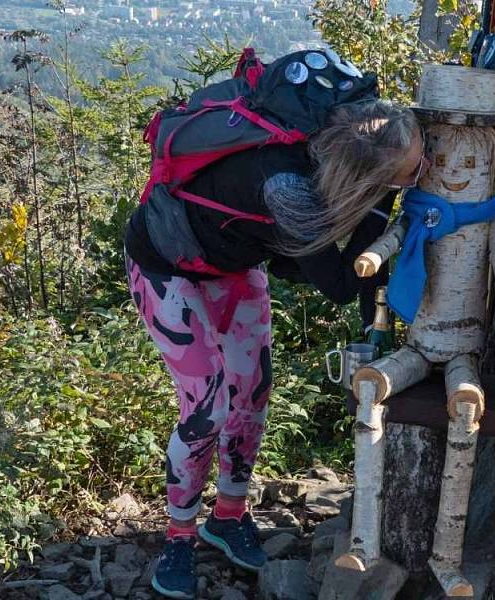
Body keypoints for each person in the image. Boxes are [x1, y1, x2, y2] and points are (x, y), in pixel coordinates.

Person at [124, 98, 428, 599]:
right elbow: (337, 281)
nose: (418, 178)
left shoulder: (335, 139)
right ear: (364, 172)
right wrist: (382, 202)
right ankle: (178, 538)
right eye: (408, 174)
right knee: (208, 407)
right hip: (164, 263)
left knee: (253, 392)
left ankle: (227, 517)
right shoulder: (287, 189)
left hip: (232, 263)